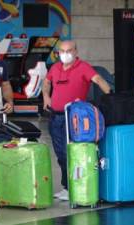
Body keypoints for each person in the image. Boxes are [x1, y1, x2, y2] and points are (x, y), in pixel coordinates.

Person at [42, 40, 111, 201]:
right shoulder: (55, 67)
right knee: (60, 154)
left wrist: (110, 96)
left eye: (69, 50)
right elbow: (46, 82)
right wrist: (46, 95)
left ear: (75, 51)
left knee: (73, 151)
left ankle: (79, 185)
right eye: (62, 51)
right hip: (55, 116)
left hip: (74, 118)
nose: (65, 54)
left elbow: (99, 80)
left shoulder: (83, 67)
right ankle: (67, 187)